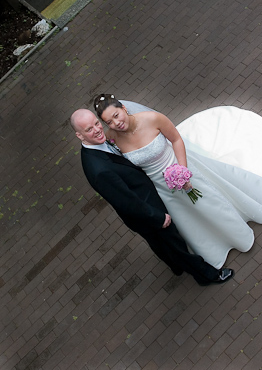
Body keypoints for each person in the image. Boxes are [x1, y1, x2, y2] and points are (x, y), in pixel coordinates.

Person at [94, 95, 262, 270]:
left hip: (182, 167)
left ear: (124, 109)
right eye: (109, 122)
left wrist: (183, 170)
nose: (115, 123)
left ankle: (239, 235)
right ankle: (212, 246)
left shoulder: (152, 119)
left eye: (116, 115)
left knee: (210, 202)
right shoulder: (112, 139)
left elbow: (177, 140)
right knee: (187, 216)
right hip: (161, 186)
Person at [70, 108, 234, 286]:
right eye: (89, 129)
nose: (97, 129)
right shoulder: (97, 169)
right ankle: (207, 275)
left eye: (96, 123)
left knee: (162, 244)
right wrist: (156, 217)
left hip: (149, 197)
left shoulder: (102, 143)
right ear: (80, 136)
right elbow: (125, 202)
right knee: (175, 244)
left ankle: (175, 267)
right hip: (145, 211)